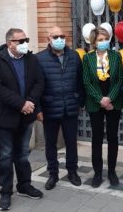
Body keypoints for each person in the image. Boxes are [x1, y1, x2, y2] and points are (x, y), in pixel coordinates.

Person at [0, 28, 45, 211]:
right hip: (6, 118)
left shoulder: (31, 59)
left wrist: (30, 102)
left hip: (26, 116)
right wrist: (21, 103)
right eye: (20, 41)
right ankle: (5, 192)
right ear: (9, 43)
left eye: (26, 39)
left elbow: (39, 82)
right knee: (6, 156)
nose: (24, 43)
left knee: (23, 154)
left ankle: (24, 185)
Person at [36, 26, 84, 190]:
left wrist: (80, 103)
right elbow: (35, 87)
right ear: (48, 39)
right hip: (49, 108)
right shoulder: (39, 58)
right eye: (55, 36)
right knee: (51, 143)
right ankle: (53, 174)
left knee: (71, 142)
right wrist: (38, 109)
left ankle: (72, 172)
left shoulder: (74, 56)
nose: (59, 39)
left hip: (70, 107)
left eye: (62, 36)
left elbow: (80, 82)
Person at [82, 27, 123, 188]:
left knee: (113, 137)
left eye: (105, 38)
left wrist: (110, 99)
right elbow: (86, 82)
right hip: (96, 102)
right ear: (93, 42)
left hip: (113, 101)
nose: (103, 42)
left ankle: (112, 171)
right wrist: (100, 99)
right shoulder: (87, 58)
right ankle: (98, 172)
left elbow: (119, 80)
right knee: (97, 138)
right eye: (100, 40)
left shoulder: (116, 56)